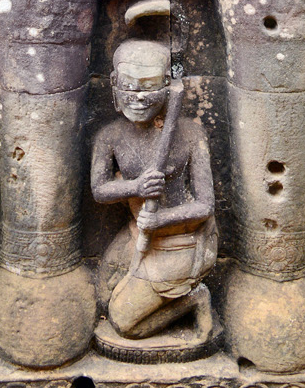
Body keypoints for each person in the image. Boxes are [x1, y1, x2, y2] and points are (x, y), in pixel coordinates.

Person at [90, 25, 216, 341]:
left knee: (122, 322)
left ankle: (193, 300)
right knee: (102, 297)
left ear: (168, 89)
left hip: (183, 237)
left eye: (149, 88)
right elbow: (99, 189)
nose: (140, 98)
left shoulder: (189, 134)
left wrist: (161, 218)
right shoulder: (110, 137)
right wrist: (135, 187)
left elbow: (205, 204)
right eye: (130, 88)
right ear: (114, 87)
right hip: (139, 231)